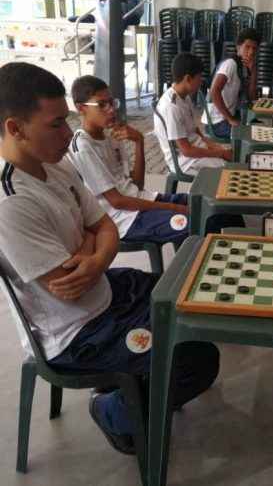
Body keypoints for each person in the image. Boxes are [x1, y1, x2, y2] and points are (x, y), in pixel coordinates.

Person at [0, 62, 220, 454]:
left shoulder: (56, 165)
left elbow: (106, 226)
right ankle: (112, 410)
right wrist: (94, 241)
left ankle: (138, 384)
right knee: (197, 357)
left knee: (192, 301)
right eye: (55, 124)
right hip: (77, 332)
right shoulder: (11, 203)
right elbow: (68, 286)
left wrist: (92, 251)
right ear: (15, 128)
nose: (68, 133)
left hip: (106, 291)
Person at [68, 75, 192, 248]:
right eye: (102, 105)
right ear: (81, 109)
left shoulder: (113, 134)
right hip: (123, 219)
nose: (111, 110)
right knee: (196, 222)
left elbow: (137, 185)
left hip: (140, 201)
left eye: (112, 102)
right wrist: (173, 208)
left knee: (201, 204)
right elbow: (117, 201)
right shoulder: (83, 146)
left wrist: (139, 142)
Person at [154, 52, 232, 176]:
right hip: (184, 161)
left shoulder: (185, 97)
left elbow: (194, 129)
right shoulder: (171, 107)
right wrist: (220, 153)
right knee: (228, 169)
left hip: (195, 149)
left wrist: (212, 144)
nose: (201, 81)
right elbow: (187, 151)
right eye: (199, 77)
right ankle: (206, 193)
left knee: (232, 156)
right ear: (188, 79)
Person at [202, 28, 260, 139]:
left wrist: (253, 71)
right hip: (216, 123)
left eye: (254, 48)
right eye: (247, 47)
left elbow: (252, 97)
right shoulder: (231, 63)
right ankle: (239, 156)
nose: (251, 52)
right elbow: (214, 91)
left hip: (226, 119)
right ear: (238, 47)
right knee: (253, 136)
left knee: (258, 128)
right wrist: (230, 119)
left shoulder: (244, 66)